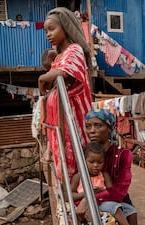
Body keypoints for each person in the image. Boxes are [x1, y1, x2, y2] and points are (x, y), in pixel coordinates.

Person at [38, 7, 93, 180]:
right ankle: (69, 192)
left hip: (73, 117)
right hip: (60, 120)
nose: (48, 34)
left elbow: (65, 72)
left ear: (66, 27)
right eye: (46, 30)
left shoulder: (74, 49)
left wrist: (43, 77)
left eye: (52, 29)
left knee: (75, 162)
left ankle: (76, 194)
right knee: (64, 159)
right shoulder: (59, 56)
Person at [75, 108, 138, 225]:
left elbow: (119, 191)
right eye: (88, 126)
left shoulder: (123, 154)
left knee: (131, 212)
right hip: (86, 198)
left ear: (110, 128)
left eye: (98, 125)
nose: (92, 131)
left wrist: (87, 200)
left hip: (116, 199)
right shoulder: (83, 153)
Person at [71, 142, 130, 225]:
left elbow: (111, 192)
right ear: (84, 161)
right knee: (115, 208)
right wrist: (87, 193)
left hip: (102, 203)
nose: (95, 165)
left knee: (129, 210)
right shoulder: (78, 177)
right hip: (83, 204)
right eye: (91, 162)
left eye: (100, 162)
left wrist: (100, 191)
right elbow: (70, 196)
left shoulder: (104, 175)